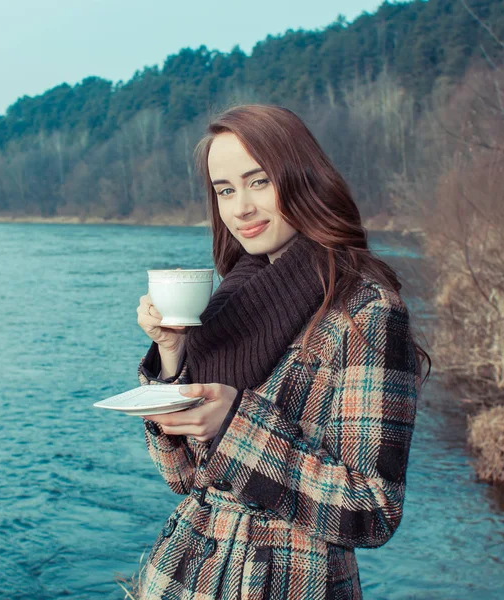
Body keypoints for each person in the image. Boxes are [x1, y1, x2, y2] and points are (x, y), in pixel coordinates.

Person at [134, 104, 429, 600]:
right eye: (225, 190)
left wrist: (236, 425)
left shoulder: (367, 311)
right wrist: (172, 354)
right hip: (182, 579)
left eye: (259, 182)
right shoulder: (227, 303)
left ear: (302, 178)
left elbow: (374, 511)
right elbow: (183, 477)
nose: (240, 208)